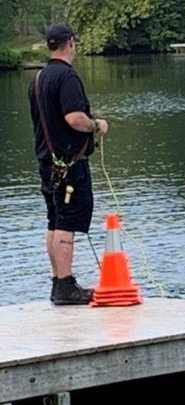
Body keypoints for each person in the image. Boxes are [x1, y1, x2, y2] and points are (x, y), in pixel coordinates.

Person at [29, 24, 109, 305]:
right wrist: (96, 125)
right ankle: (65, 286)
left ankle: (58, 282)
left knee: (54, 220)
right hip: (69, 163)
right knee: (67, 221)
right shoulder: (67, 77)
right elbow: (75, 118)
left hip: (46, 161)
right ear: (70, 43)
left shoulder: (38, 78)